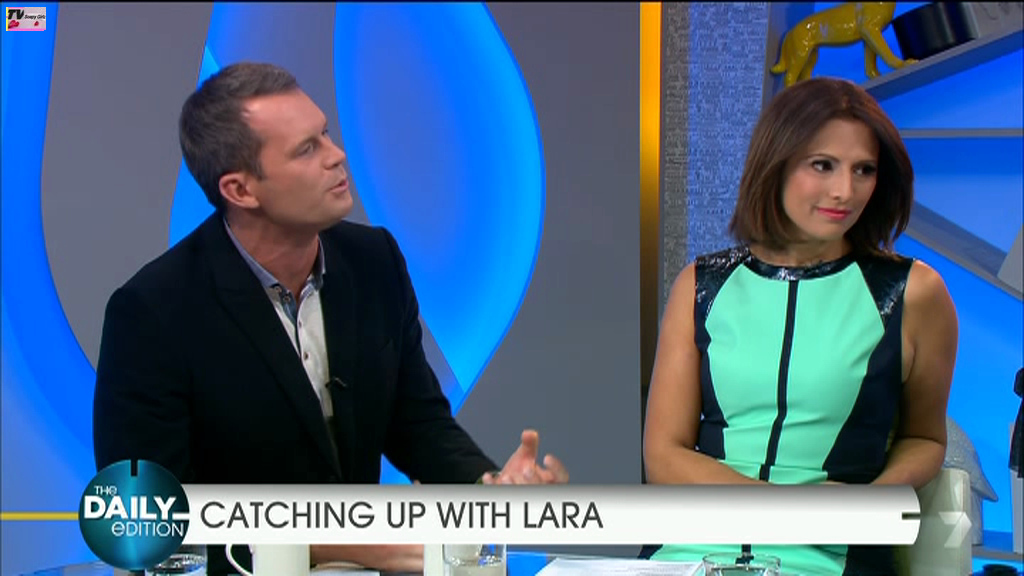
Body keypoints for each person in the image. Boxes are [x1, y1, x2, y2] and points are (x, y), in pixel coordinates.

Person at [92, 62, 568, 574]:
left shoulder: (374, 261)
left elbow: (418, 424)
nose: (337, 155)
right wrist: (333, 545)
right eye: (306, 149)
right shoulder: (155, 311)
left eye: (325, 134)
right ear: (241, 190)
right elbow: (144, 525)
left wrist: (490, 489)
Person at [642, 77, 958, 575]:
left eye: (864, 169)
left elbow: (925, 439)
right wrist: (786, 511)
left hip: (832, 556)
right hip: (689, 550)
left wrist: (867, 506)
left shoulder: (914, 292)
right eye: (822, 165)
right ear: (777, 163)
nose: (844, 191)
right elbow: (663, 455)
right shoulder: (700, 285)